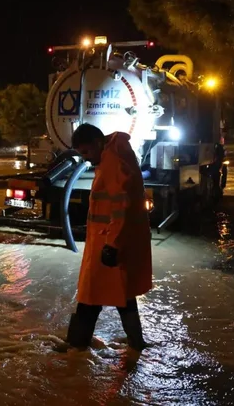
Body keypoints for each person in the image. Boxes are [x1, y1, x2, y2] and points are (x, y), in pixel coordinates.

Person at [58, 123, 153, 352]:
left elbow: (121, 207)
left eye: (87, 152)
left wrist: (112, 244)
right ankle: (136, 345)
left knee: (91, 294)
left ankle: (76, 347)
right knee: (122, 294)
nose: (87, 159)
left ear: (99, 143)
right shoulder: (113, 157)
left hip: (110, 243)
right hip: (114, 241)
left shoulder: (113, 163)